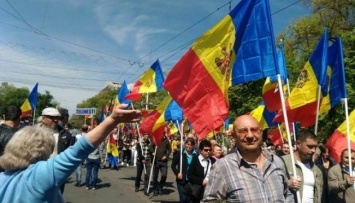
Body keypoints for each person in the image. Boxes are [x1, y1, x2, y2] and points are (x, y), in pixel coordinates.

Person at [0, 104, 141, 202]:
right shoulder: (40, 174)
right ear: (41, 151)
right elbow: (79, 149)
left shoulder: (3, 178)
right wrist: (112, 120)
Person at [203, 115, 293, 202]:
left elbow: (287, 194)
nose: (250, 135)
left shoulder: (276, 161)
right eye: (243, 131)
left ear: (261, 133)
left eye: (254, 130)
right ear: (234, 136)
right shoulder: (222, 167)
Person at [282, 129, 324, 203]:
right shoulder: (282, 162)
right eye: (310, 146)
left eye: (315, 147)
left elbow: (319, 195)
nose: (313, 150)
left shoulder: (316, 170)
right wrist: (287, 183)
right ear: (298, 144)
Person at [39, 107, 73, 194]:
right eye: (51, 117)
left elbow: (70, 153)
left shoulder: (66, 134)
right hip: (39, 172)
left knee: (57, 196)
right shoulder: (33, 133)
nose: (55, 120)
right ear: (43, 119)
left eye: (57, 118)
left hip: (58, 171)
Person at [171, 138, 198, 203]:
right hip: (181, 181)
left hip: (191, 182)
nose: (189, 146)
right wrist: (177, 173)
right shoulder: (180, 153)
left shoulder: (196, 155)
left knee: (188, 200)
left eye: (191, 145)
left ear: (193, 146)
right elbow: (173, 165)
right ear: (185, 144)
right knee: (183, 199)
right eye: (187, 144)